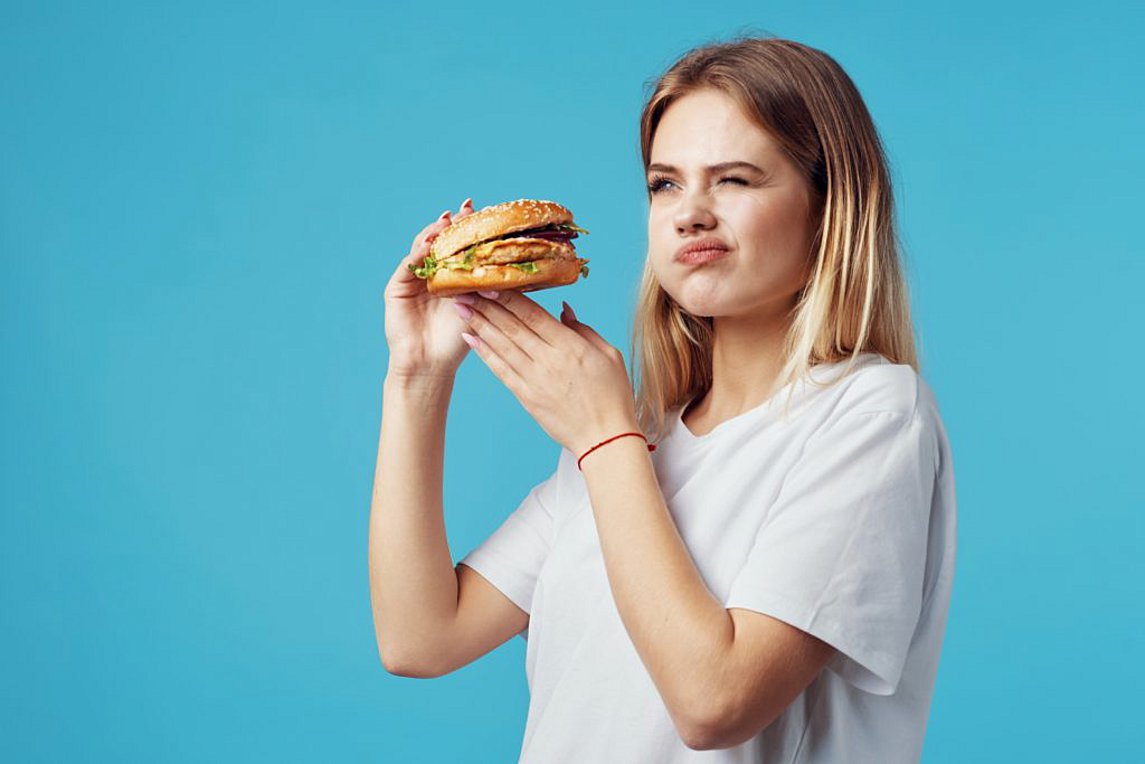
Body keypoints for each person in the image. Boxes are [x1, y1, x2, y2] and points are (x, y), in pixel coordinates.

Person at [369, 35, 957, 763]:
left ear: (829, 205)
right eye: (664, 185)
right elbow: (421, 638)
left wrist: (602, 438)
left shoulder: (872, 414)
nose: (689, 214)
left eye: (734, 180)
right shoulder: (637, 433)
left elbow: (715, 703)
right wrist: (416, 378)